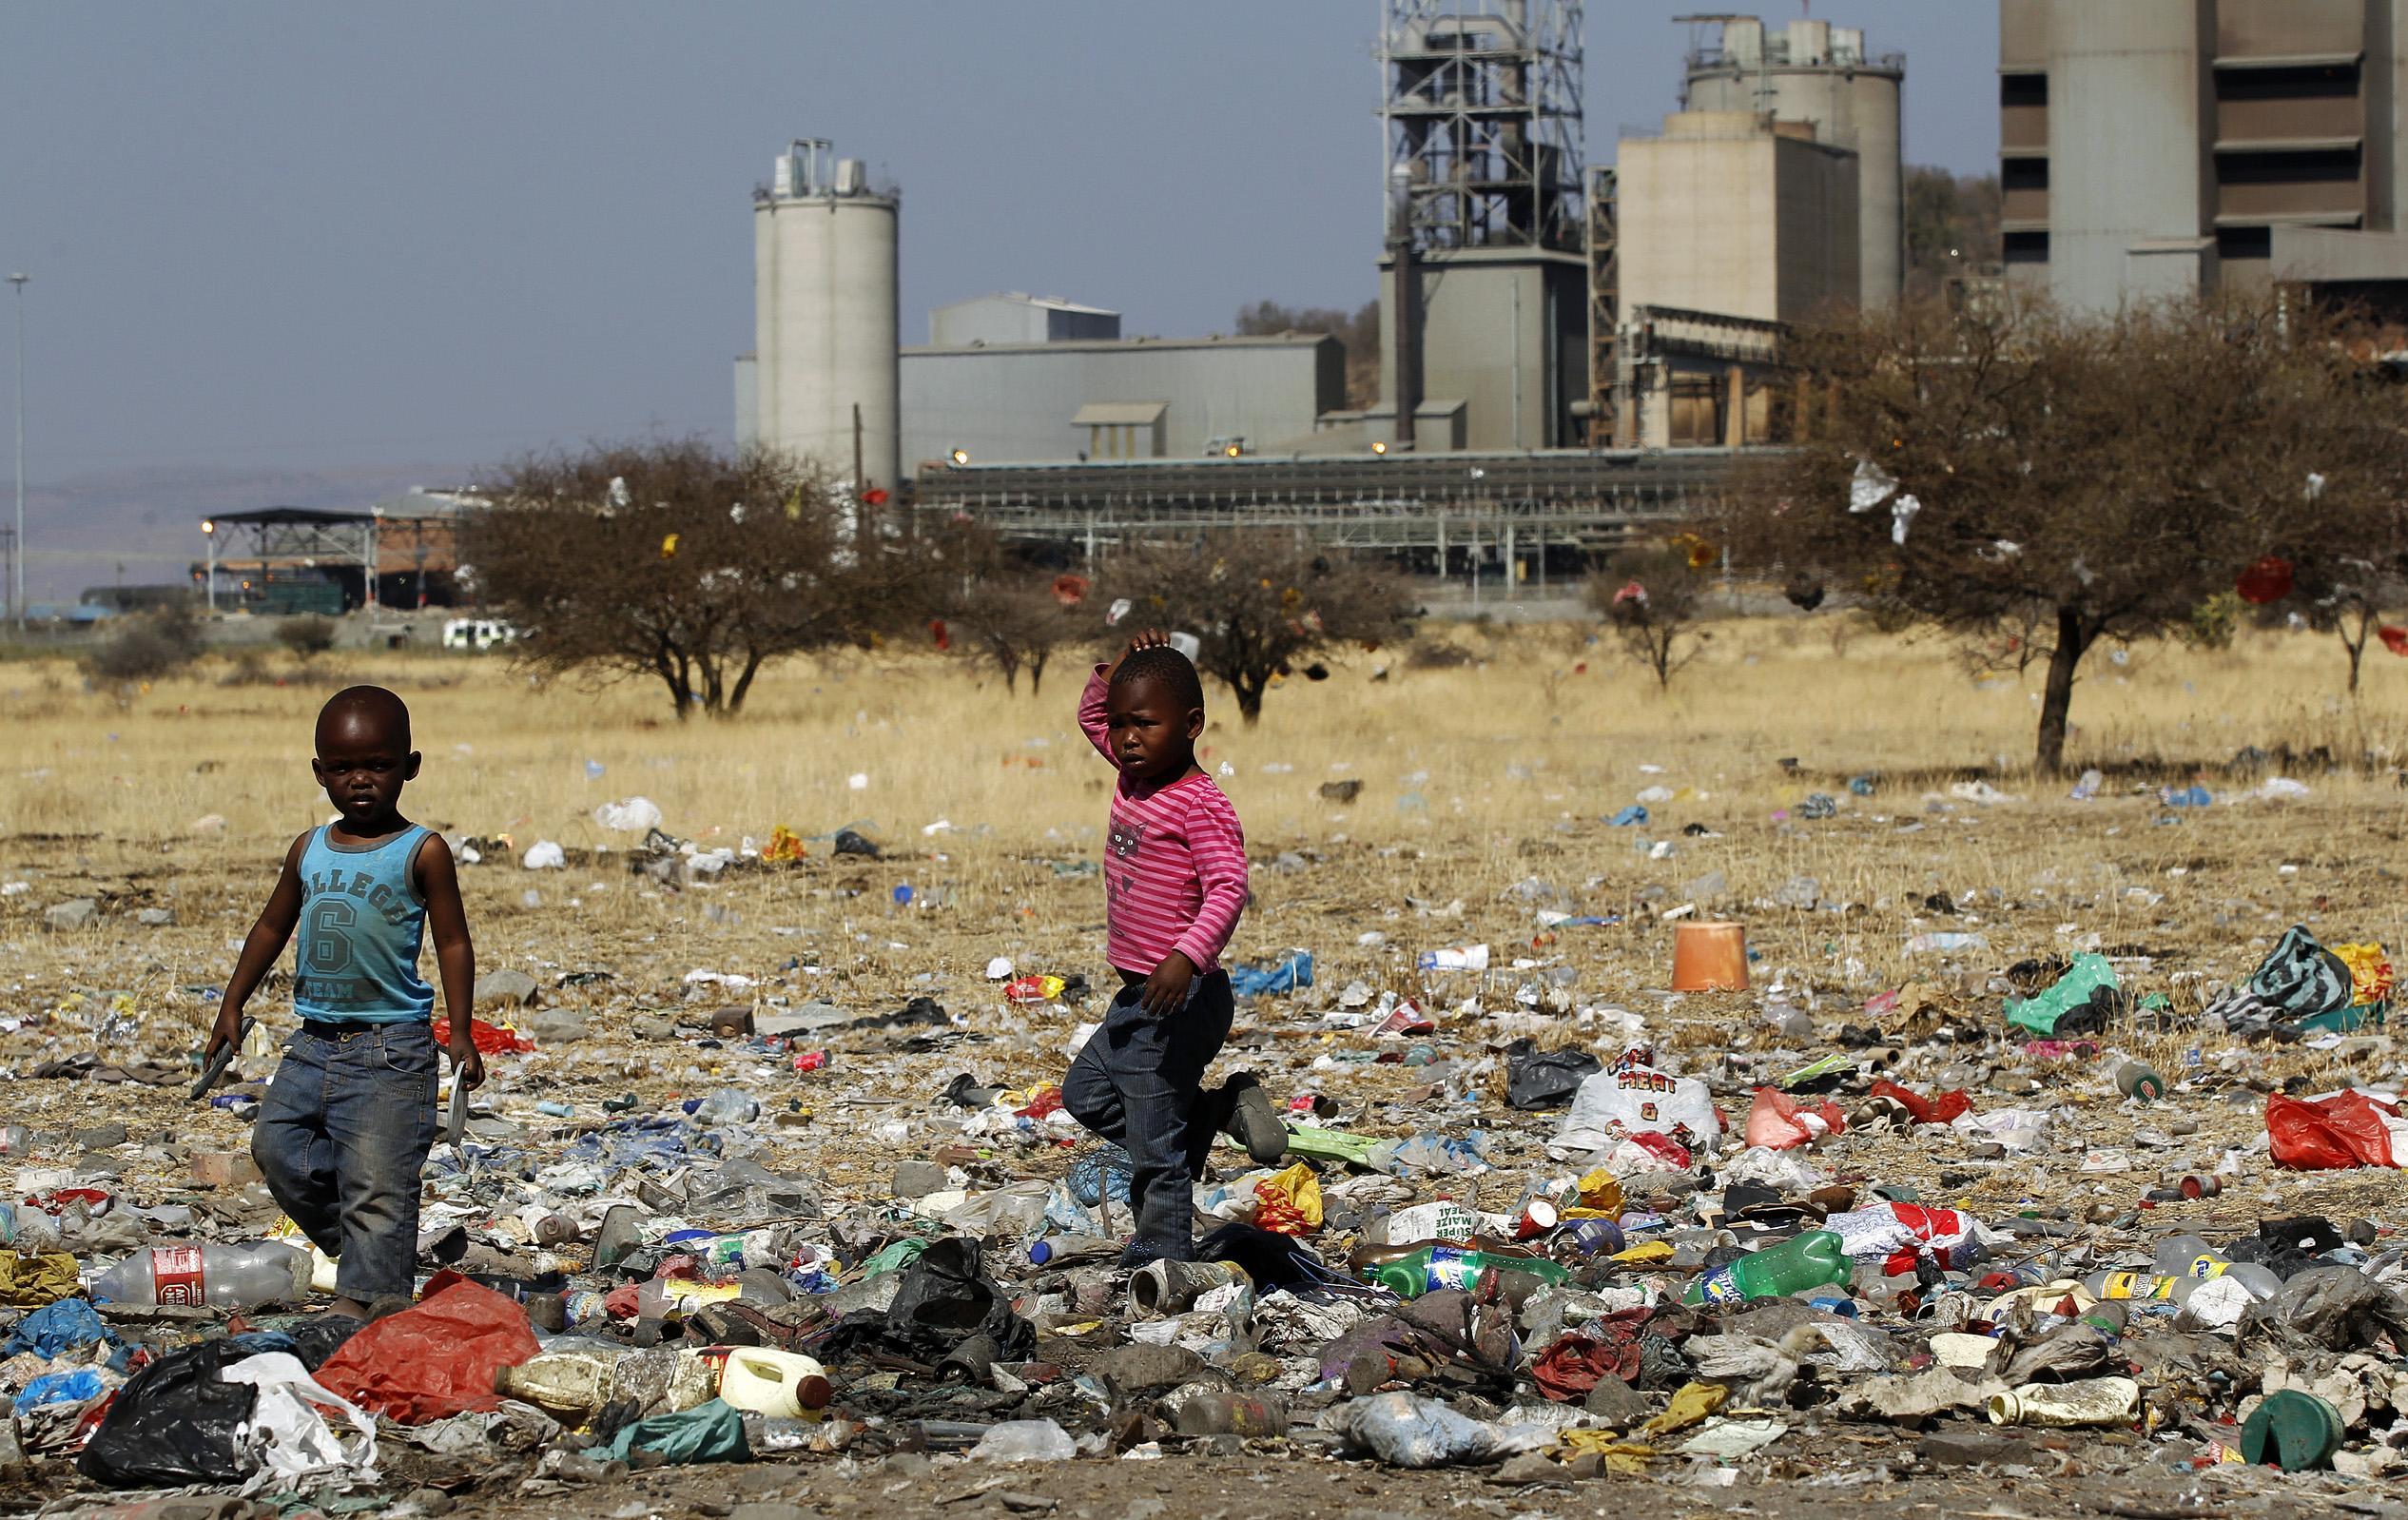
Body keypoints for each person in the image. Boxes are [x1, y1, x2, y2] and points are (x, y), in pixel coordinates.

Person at [207, 685, 484, 1318]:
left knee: (380, 1183)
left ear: (409, 767)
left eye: (379, 765)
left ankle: (373, 1300)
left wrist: (460, 1029)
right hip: (312, 1043)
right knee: (276, 1149)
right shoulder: (308, 849)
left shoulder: (422, 851)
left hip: (391, 1051)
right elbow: (272, 927)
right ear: (319, 772)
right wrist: (232, 1002)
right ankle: (370, 1256)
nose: (360, 781)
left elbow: (453, 943)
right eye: (342, 768)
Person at [1061, 630, 1285, 1266]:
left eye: (1146, 724)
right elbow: (1089, 713)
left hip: (1181, 999)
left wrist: (1186, 955)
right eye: (1122, 724)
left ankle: (1163, 1254)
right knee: (1085, 1096)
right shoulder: (1135, 776)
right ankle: (1217, 1111)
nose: (1128, 737)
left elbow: (1229, 886)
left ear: (1190, 725)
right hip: (1138, 996)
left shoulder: (1198, 803)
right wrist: (1119, 665)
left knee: (1155, 1145)